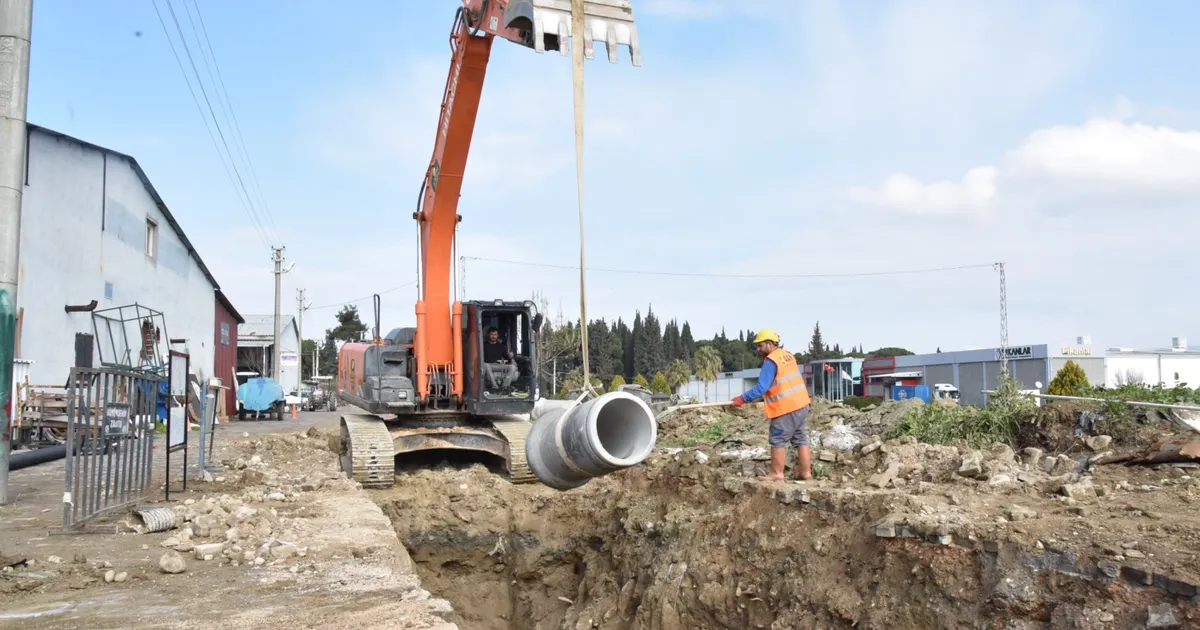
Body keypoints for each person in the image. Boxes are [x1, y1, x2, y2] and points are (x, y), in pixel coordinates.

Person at [730, 328, 813, 481]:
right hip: (802, 404)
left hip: (786, 408)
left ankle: (776, 474)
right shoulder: (787, 356)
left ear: (769, 343)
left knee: (778, 439)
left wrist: (742, 398)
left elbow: (761, 388)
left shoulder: (771, 361)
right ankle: (806, 473)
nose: (758, 349)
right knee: (800, 438)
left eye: (760, 345)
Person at [482, 326, 519, 391]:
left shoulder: (500, 346)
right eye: (492, 334)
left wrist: (510, 357)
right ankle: (495, 387)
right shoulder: (483, 345)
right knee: (486, 365)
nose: (493, 336)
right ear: (488, 335)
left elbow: (506, 358)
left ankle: (505, 387)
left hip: (499, 365)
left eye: (495, 335)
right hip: (488, 365)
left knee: (513, 367)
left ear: (497, 335)